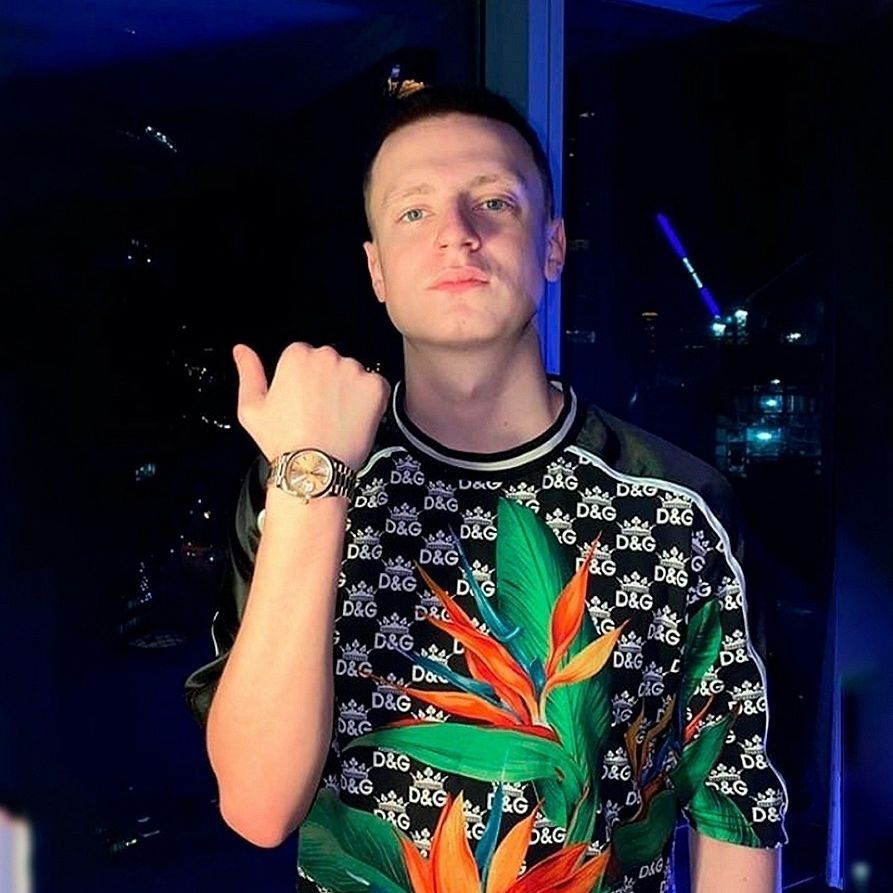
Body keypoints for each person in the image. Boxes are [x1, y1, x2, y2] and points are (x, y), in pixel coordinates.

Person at [184, 85, 787, 892]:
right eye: (413, 211)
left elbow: (733, 803)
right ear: (376, 270)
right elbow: (258, 806)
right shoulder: (302, 479)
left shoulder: (675, 504)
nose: (456, 234)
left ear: (552, 245)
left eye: (494, 202)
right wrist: (314, 480)